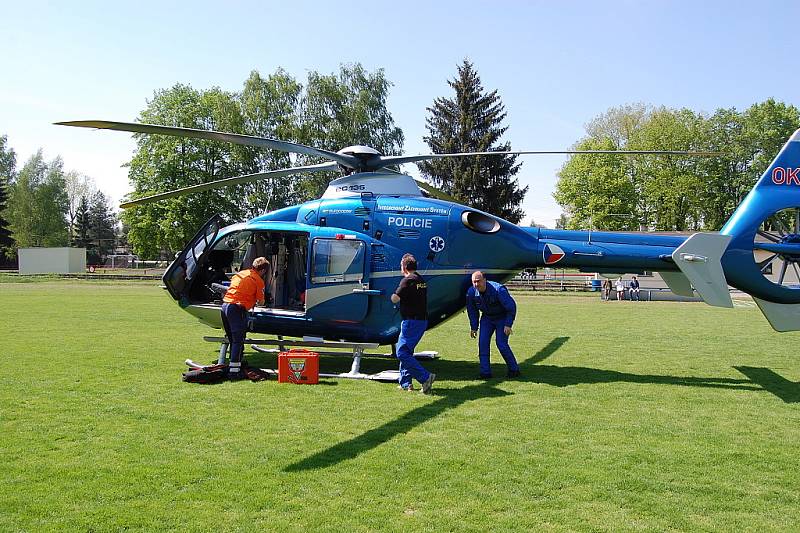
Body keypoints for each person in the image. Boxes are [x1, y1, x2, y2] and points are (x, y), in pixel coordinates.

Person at [390, 253, 436, 394]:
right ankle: (406, 383)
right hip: (421, 320)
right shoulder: (421, 280)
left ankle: (425, 377)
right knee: (406, 350)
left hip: (411, 321)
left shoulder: (407, 281)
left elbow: (395, 299)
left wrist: (390, 295)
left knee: (402, 352)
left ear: (404, 267)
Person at [221, 257, 270, 380]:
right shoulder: (258, 280)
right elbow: (261, 301)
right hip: (237, 309)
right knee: (238, 340)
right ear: (263, 271)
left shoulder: (241, 273)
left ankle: (236, 364)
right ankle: (234, 371)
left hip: (225, 307)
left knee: (232, 339)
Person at [466, 271, 521, 379]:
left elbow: (511, 307)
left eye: (479, 281)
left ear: (485, 280)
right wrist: (474, 327)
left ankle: (514, 370)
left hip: (502, 318)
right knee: (483, 344)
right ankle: (485, 373)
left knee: (501, 344)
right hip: (487, 318)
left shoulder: (499, 290)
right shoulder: (471, 293)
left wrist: (508, 324)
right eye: (474, 282)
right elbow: (472, 311)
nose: (477, 284)